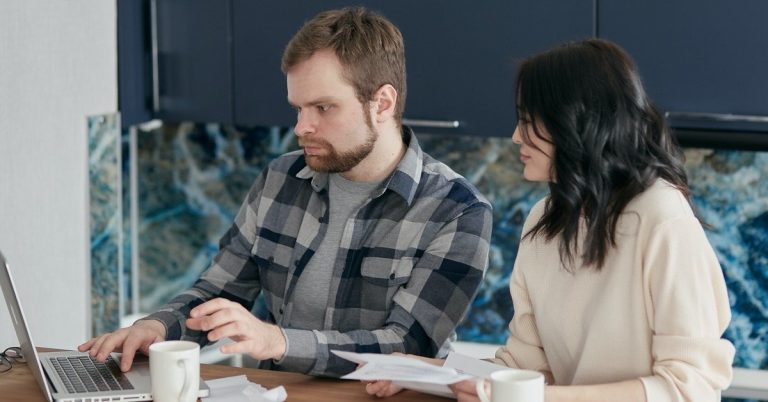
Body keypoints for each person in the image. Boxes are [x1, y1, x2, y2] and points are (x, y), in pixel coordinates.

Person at [79, 7, 492, 377]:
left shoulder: (457, 211)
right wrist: (156, 326)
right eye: (298, 108)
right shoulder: (281, 178)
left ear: (382, 103)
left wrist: (278, 342)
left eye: (323, 108)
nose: (301, 127)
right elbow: (220, 291)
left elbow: (409, 346)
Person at [365, 38, 735, 401]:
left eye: (528, 120)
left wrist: (537, 398)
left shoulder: (662, 217)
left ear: (577, 122)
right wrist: (429, 373)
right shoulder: (544, 221)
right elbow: (526, 366)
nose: (514, 136)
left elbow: (690, 388)